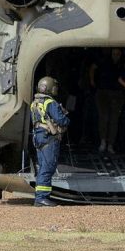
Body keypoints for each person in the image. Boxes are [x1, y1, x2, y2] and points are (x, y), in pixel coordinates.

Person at [30, 76, 71, 207]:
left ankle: (40, 196)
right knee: (48, 168)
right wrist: (65, 116)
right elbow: (62, 120)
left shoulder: (35, 102)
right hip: (49, 138)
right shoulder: (50, 103)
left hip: (39, 137)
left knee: (42, 167)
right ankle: (42, 198)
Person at [91, 48, 125, 154]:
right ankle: (103, 142)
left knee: (114, 120)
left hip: (117, 93)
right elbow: (92, 68)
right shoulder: (104, 60)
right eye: (114, 53)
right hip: (103, 92)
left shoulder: (123, 62)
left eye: (118, 53)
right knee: (103, 118)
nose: (116, 55)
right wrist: (92, 81)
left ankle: (110, 145)